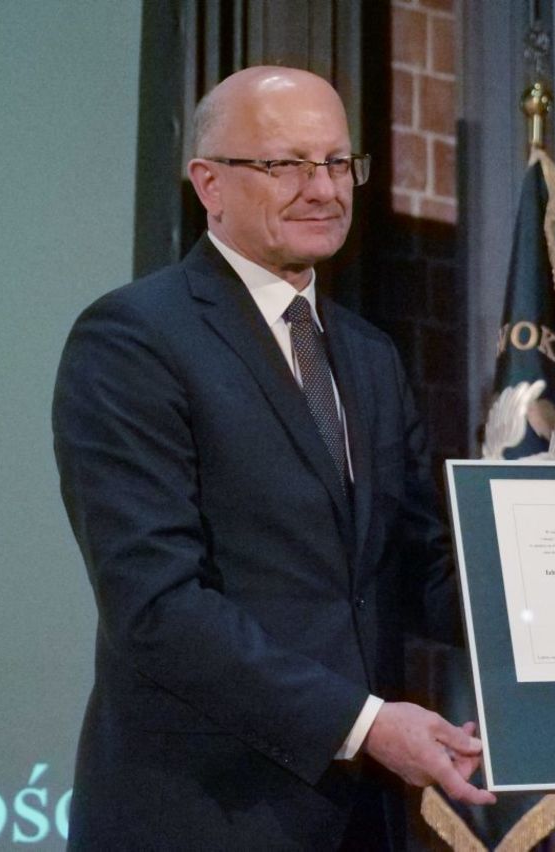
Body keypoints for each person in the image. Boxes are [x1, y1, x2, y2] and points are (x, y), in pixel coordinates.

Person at [52, 66, 494, 849]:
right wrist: (364, 725)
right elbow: (156, 605)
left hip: (360, 819)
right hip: (198, 815)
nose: (322, 189)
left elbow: (418, 568)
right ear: (209, 184)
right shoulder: (132, 340)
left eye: (337, 163)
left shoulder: (369, 355)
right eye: (285, 164)